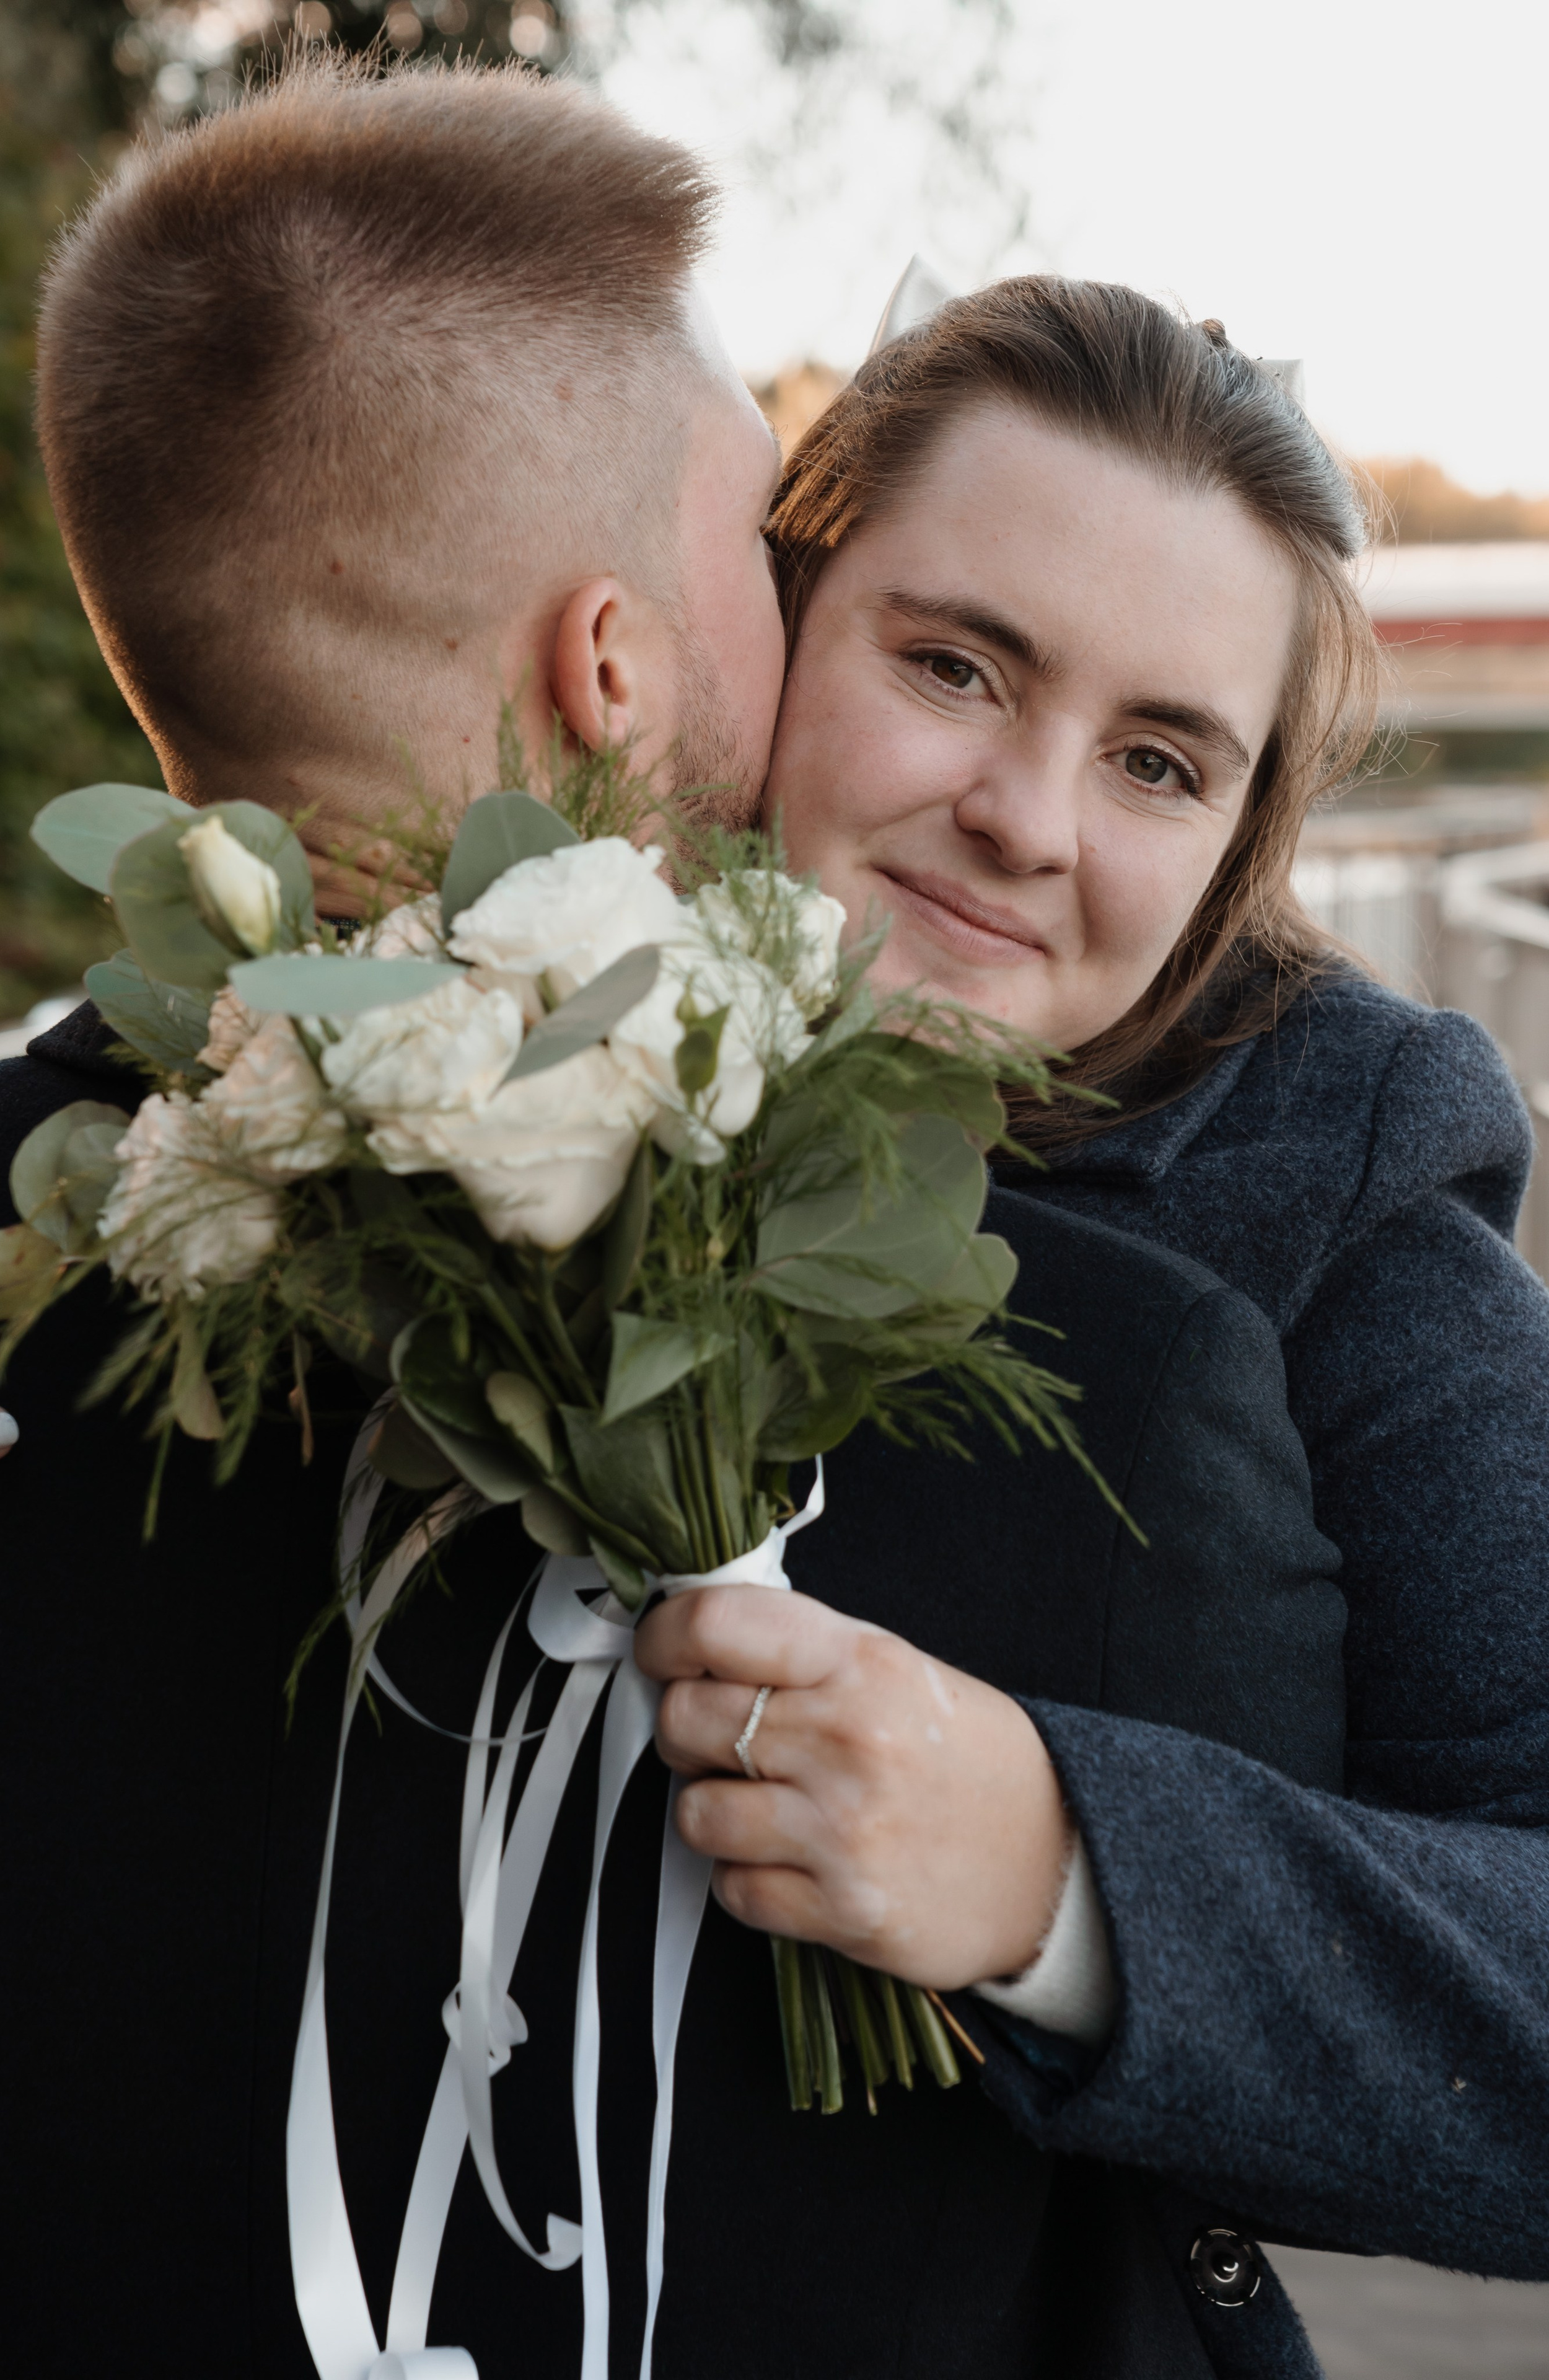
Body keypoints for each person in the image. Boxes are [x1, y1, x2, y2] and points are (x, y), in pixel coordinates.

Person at [0, 61, 1335, 2380]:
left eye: (1161, 757)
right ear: (613, 664)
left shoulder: (13, 1271)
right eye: (780, 577)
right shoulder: (1098, 1387)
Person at [631, 271, 1549, 2371]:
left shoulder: (1338, 1167)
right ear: (781, 608)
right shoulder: (507, 985)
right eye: (956, 666)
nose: (1030, 821)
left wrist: (1063, 1873)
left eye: (1156, 760)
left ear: (1239, 839)